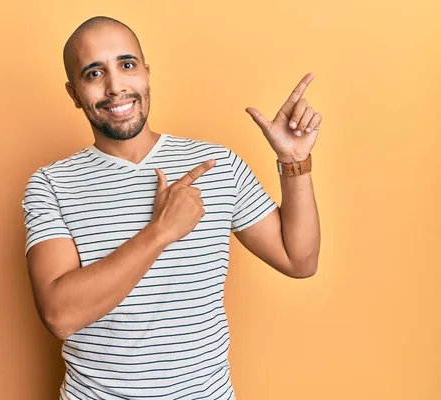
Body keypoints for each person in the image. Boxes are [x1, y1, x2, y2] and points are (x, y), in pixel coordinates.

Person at [22, 15, 322, 400]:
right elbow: (60, 316)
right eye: (94, 73)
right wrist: (161, 231)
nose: (116, 87)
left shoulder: (218, 165)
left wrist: (294, 162)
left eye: (126, 65)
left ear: (146, 73)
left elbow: (300, 260)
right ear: (74, 92)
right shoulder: (50, 184)